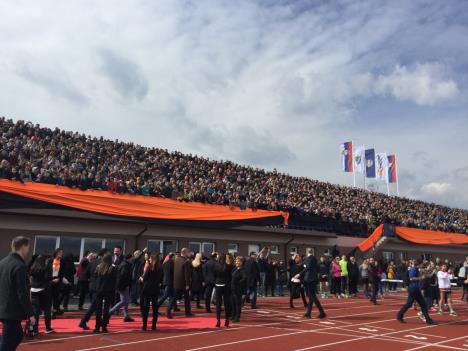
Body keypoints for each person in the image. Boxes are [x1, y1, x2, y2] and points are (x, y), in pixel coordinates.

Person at [0, 236, 35, 351]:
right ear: (23, 247)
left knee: (16, 336)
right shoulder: (19, 266)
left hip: (4, 307)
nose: (28, 250)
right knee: (9, 339)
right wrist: (30, 313)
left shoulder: (3, 262)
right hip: (11, 310)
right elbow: (22, 293)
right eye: (28, 247)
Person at [396, 259, 436, 325]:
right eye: (422, 264)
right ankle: (399, 316)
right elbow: (411, 278)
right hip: (413, 289)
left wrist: (430, 272)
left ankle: (428, 320)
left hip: (416, 289)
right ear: (419, 264)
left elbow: (426, 275)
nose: (423, 265)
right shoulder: (413, 269)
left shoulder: (417, 269)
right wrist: (420, 278)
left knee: (422, 305)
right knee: (410, 304)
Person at [79, 249, 107, 330]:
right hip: (100, 287)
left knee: (95, 304)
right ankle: (84, 321)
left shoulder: (92, 262)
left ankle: (87, 321)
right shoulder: (103, 263)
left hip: (92, 286)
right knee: (95, 305)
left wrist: (91, 280)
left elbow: (86, 273)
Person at [294, 248, 326, 319]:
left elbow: (307, 268)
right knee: (311, 296)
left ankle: (322, 312)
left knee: (312, 296)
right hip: (312, 279)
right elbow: (317, 269)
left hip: (309, 279)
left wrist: (299, 274)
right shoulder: (314, 259)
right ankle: (308, 312)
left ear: (307, 252)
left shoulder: (309, 259)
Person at [29, 255, 54, 335]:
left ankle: (35, 329)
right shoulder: (46, 268)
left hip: (33, 289)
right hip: (43, 290)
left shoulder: (33, 268)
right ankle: (48, 327)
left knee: (35, 311)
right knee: (47, 309)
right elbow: (47, 278)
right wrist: (53, 279)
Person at [93, 253, 117, 333]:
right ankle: (104, 327)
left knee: (98, 309)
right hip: (109, 290)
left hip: (99, 290)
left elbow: (95, 277)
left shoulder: (99, 267)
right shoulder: (112, 268)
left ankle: (97, 327)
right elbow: (115, 279)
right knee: (106, 309)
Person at [140, 253, 163, 331]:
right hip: (155, 288)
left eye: (150, 258)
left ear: (153, 259)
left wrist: (141, 278)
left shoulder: (149, 267)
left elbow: (145, 278)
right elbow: (160, 279)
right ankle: (154, 325)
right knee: (155, 307)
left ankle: (144, 325)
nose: (149, 259)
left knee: (146, 307)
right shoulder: (160, 268)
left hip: (147, 288)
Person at [109, 253, 134, 322]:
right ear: (129, 258)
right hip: (122, 285)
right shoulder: (125, 265)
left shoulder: (124, 264)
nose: (132, 259)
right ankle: (110, 311)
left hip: (121, 285)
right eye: (132, 258)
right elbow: (123, 276)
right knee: (125, 301)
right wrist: (125, 285)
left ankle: (126, 316)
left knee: (125, 301)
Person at [214, 253, 233, 327]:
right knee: (226, 304)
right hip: (226, 285)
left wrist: (216, 283)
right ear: (225, 258)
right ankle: (227, 320)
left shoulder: (216, 266)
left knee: (218, 304)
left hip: (218, 285)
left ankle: (218, 320)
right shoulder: (229, 266)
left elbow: (214, 275)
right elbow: (230, 277)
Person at [174, 248, 193, 317]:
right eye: (188, 252)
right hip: (183, 283)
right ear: (185, 253)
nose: (189, 253)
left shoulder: (176, 260)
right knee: (186, 298)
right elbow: (186, 274)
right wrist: (187, 284)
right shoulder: (186, 261)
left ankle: (168, 309)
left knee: (174, 297)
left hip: (176, 282)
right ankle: (187, 313)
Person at [157, 252, 175, 318]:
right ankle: (167, 311)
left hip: (165, 281)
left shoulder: (164, 263)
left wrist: (161, 281)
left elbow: (162, 273)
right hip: (170, 282)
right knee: (169, 296)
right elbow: (173, 273)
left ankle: (159, 307)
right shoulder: (172, 263)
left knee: (168, 296)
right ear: (172, 257)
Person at [48, 248, 64, 318]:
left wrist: (59, 278)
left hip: (58, 280)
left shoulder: (62, 262)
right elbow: (48, 270)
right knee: (49, 296)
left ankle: (54, 311)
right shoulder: (51, 260)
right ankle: (49, 311)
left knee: (56, 297)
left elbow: (62, 272)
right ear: (56, 253)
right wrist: (50, 279)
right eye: (59, 253)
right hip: (51, 280)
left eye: (61, 253)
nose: (60, 254)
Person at [231, 256, 247, 323]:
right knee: (233, 303)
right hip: (232, 289)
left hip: (238, 289)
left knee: (237, 304)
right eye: (236, 261)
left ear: (242, 262)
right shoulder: (234, 269)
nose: (237, 262)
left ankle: (237, 317)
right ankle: (233, 315)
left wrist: (238, 283)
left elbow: (244, 278)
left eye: (238, 261)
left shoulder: (243, 270)